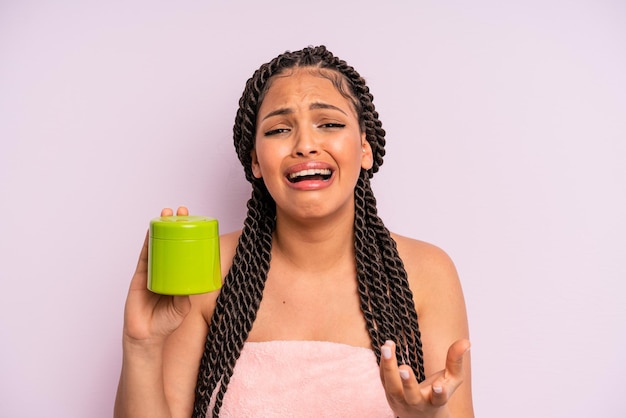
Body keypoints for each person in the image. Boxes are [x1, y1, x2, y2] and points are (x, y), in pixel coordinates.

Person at [114, 45, 473, 418]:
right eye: (279, 129)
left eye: (330, 124)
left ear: (365, 148)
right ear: (255, 159)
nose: (305, 145)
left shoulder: (427, 272)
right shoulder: (209, 267)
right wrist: (141, 347)